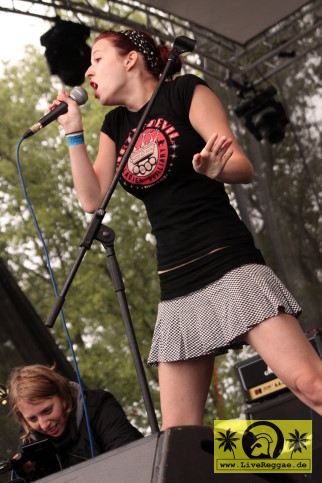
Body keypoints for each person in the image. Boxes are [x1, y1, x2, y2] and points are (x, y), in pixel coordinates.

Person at [50, 29, 322, 430]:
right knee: (179, 439)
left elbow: (241, 166)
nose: (88, 71)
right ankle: (290, 462)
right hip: (176, 283)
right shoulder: (115, 125)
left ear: (130, 60)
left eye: (97, 59)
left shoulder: (185, 92)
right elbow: (92, 200)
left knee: (309, 384)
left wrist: (217, 168)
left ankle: (297, 458)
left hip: (227, 262)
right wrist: (74, 133)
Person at [7, 364, 142, 476]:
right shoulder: (31, 442)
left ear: (63, 396)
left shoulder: (100, 406)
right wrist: (27, 474)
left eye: (47, 410)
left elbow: (129, 459)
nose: (43, 424)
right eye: (32, 419)